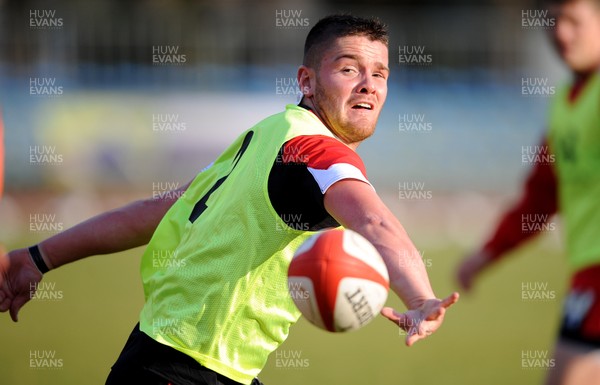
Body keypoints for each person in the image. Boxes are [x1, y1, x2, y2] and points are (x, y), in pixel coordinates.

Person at [0, 15, 458, 385]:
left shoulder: (267, 134)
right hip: (186, 366)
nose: (368, 85)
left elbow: (157, 211)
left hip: (175, 356)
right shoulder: (314, 150)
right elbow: (375, 223)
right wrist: (419, 297)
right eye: (348, 69)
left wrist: (36, 258)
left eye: (380, 73)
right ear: (308, 80)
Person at [456, 1, 600, 384]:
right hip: (587, 273)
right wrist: (486, 254)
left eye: (573, 21)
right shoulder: (565, 104)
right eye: (553, 22)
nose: (561, 33)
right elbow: (540, 197)